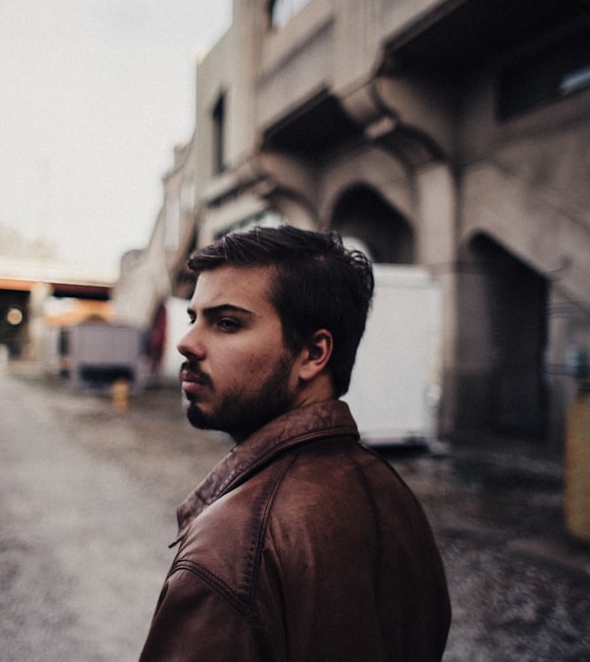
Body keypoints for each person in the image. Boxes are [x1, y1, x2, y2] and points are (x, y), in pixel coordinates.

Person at [139, 225, 451, 661]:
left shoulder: (232, 546)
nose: (187, 343)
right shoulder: (393, 495)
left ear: (312, 354)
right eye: (195, 319)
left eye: (227, 323)